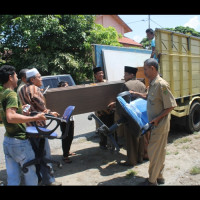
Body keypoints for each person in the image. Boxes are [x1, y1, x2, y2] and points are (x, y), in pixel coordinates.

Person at [130, 58, 177, 185]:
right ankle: (160, 177)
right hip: (155, 125)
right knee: (160, 151)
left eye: (145, 69)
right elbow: (148, 97)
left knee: (153, 152)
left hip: (159, 125)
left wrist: (156, 119)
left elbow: (171, 105)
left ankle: (152, 181)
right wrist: (136, 93)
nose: (143, 71)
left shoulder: (162, 85)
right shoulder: (152, 83)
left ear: (152, 68)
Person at [0, 65, 46, 185]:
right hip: (19, 141)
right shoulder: (11, 94)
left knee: (13, 177)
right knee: (31, 174)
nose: (17, 78)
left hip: (7, 140)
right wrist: (34, 117)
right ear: (10, 77)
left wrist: (21, 112)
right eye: (16, 76)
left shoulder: (2, 94)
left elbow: (3, 117)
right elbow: (10, 117)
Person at [18, 67, 61, 186]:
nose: (41, 79)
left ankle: (39, 178)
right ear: (32, 79)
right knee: (45, 153)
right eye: (39, 76)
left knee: (36, 153)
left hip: (29, 126)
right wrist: (50, 113)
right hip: (38, 126)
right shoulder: (34, 88)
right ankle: (50, 180)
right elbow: (41, 106)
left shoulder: (22, 89)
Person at [108, 66, 147, 166]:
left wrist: (115, 108)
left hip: (130, 116)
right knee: (141, 137)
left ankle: (132, 161)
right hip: (141, 115)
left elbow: (123, 102)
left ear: (131, 75)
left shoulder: (125, 85)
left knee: (131, 139)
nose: (124, 76)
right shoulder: (142, 83)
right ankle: (141, 157)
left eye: (125, 74)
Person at [93, 67, 115, 150]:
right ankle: (103, 143)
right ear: (95, 75)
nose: (101, 75)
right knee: (102, 128)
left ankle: (113, 142)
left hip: (110, 109)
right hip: (101, 111)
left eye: (102, 73)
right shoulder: (94, 85)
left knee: (112, 127)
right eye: (99, 73)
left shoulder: (107, 82)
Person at [57, 81, 76, 163]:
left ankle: (67, 151)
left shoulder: (69, 96)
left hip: (71, 119)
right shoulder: (59, 97)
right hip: (63, 120)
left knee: (71, 136)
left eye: (67, 86)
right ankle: (65, 156)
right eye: (64, 86)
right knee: (65, 137)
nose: (66, 87)